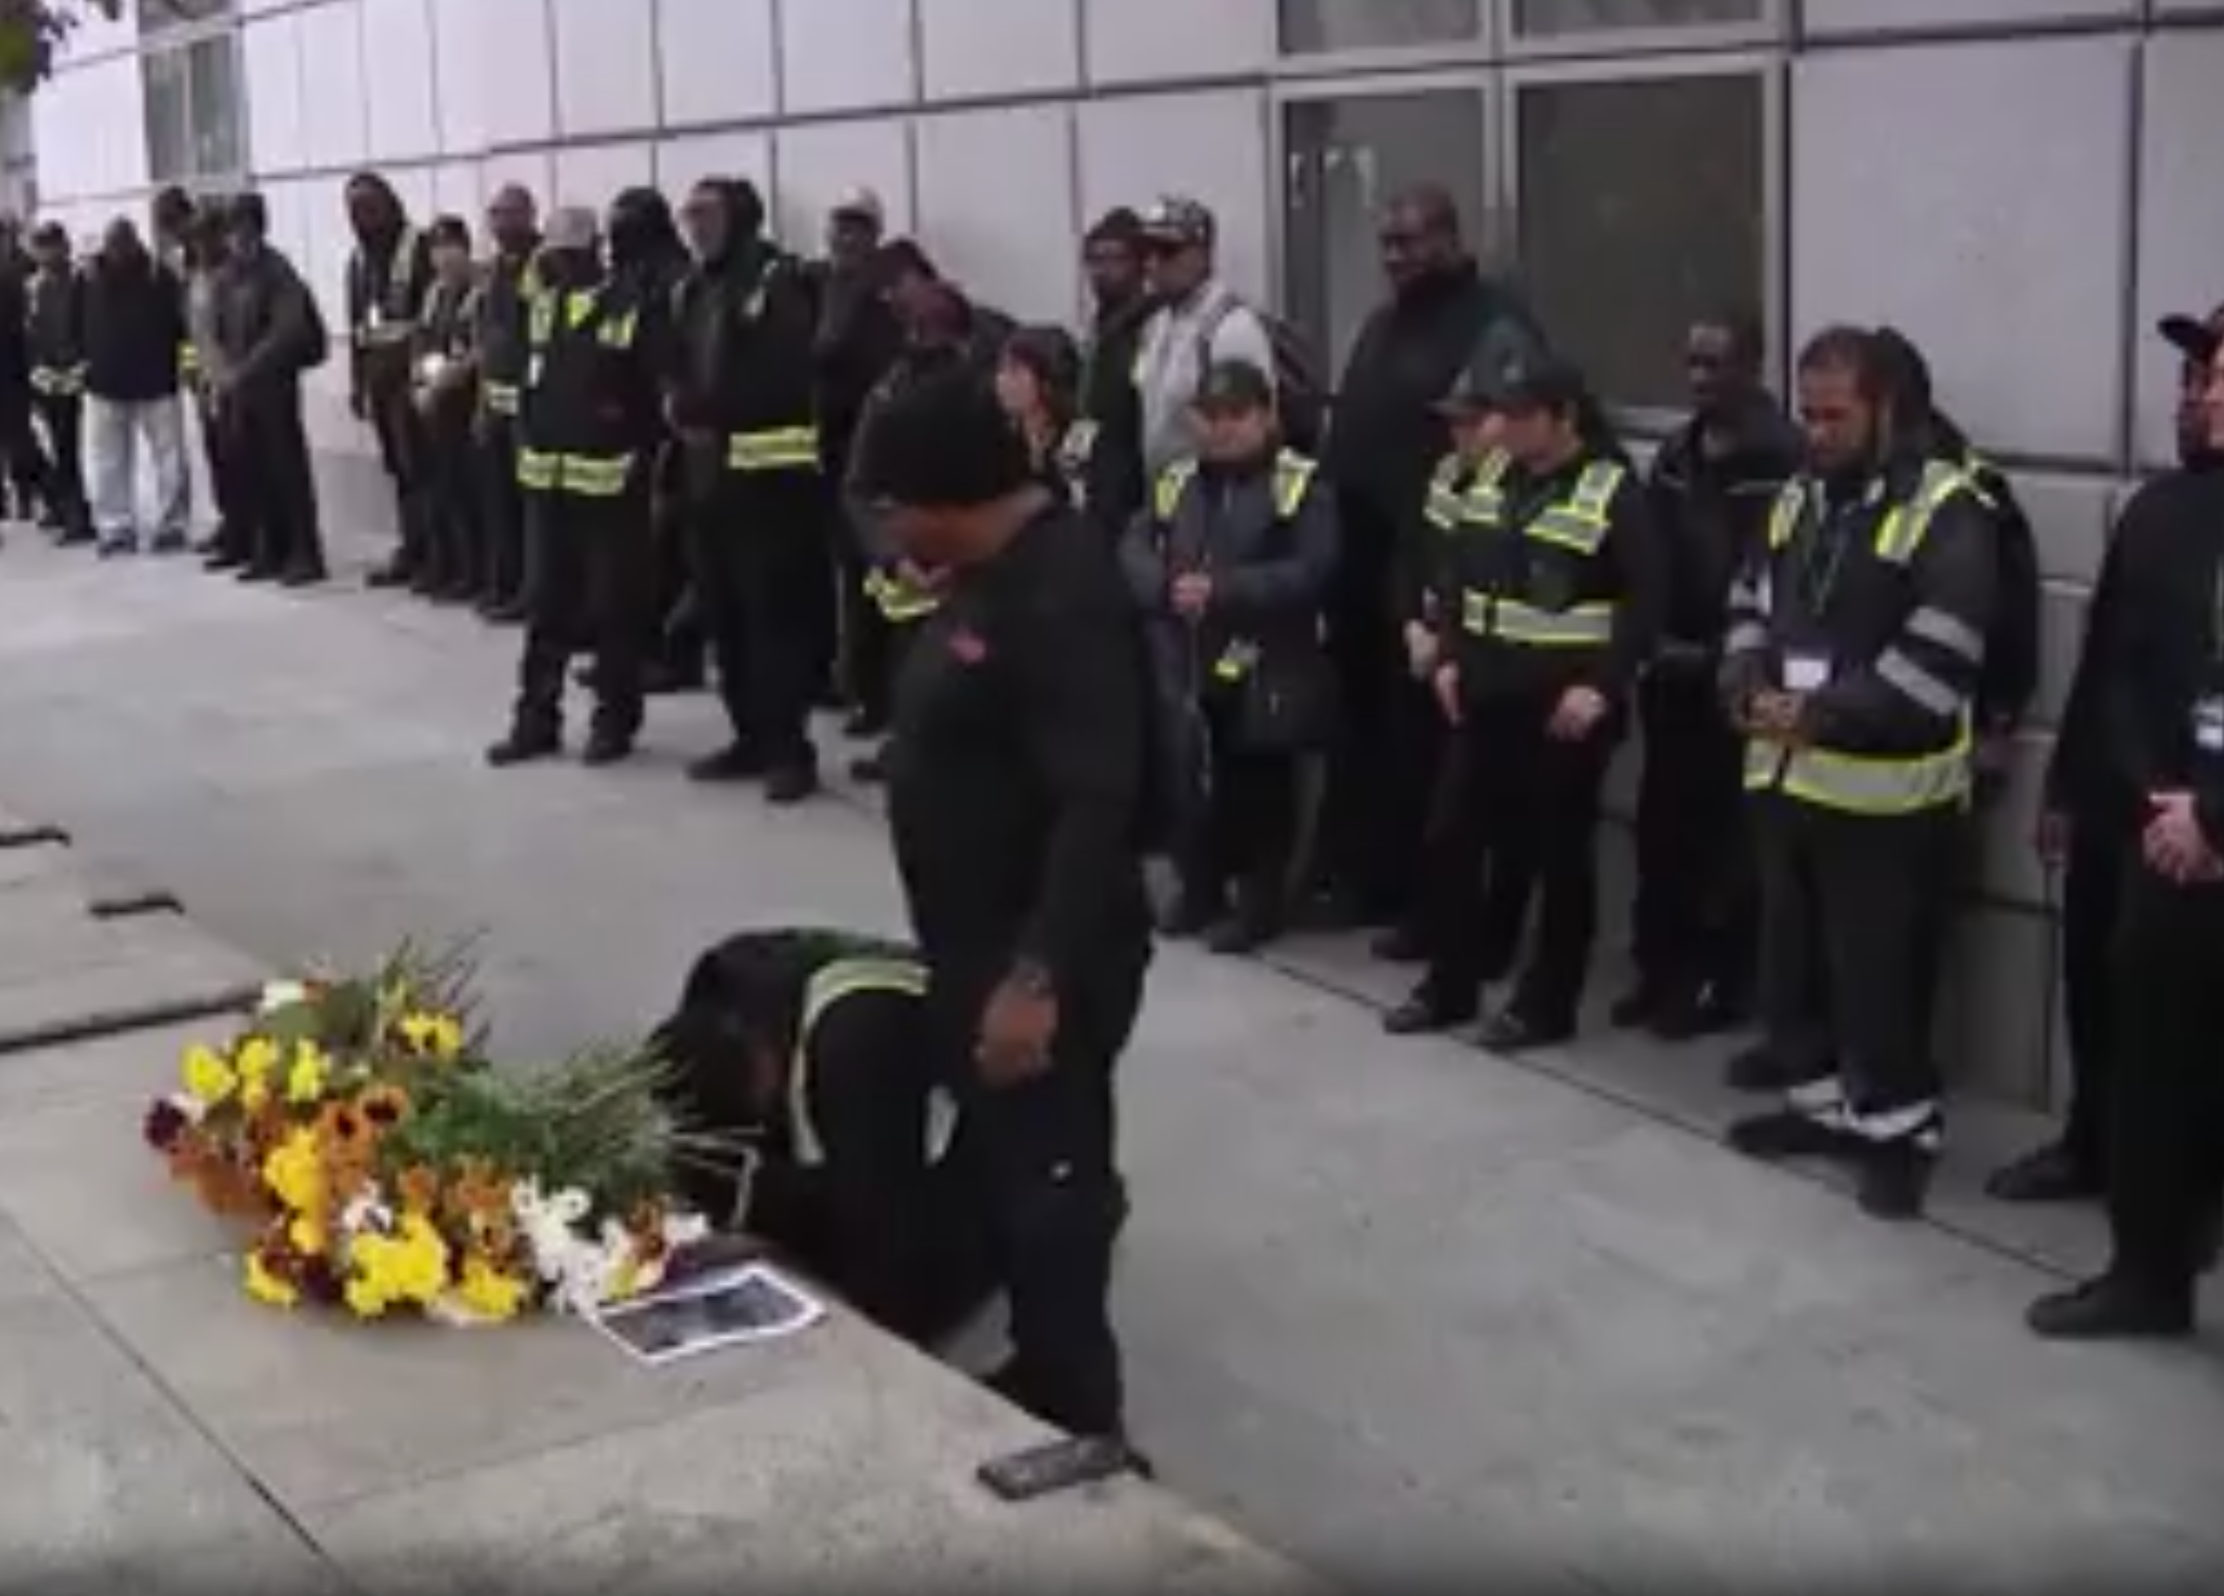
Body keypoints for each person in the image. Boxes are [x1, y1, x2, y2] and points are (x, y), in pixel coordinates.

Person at [858, 359, 1153, 1461]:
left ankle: (1082, 1410)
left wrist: (1036, 981)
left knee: (1053, 1174)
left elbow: (1097, 803)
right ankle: (1039, 1353)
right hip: (973, 935)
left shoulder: (1063, 595)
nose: (888, 531)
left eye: (896, 506)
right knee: (1013, 1158)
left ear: (948, 496)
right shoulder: (994, 569)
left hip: (1043, 951)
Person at [1718, 327, 1998, 1222]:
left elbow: (1943, 654)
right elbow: (1749, 598)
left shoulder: (1947, 508)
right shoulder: (1798, 496)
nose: (1818, 432)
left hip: (1887, 798)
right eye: (1808, 414)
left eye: (1836, 415)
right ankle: (1823, 1108)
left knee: (1880, 977)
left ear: (1884, 408)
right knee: (1794, 965)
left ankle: (1900, 1132)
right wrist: (1743, 679)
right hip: (1788, 780)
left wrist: (1825, 713)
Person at [1993, 305, 2224, 1209]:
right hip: (2121, 803)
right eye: (2190, 378)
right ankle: (2091, 1146)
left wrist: (2203, 812)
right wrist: (2068, 783)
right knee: (2093, 984)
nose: (2192, 397)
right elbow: (2106, 660)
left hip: (2200, 823)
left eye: (2210, 379)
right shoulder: (2158, 510)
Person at [1385, 357, 1660, 1052]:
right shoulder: (1494, 480)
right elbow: (1460, 575)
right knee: (1450, 835)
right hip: (1484, 695)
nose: (1502, 428)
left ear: (1563, 417)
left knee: (1557, 855)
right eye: (1500, 414)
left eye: (1519, 415)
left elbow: (1647, 601)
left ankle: (1547, 1002)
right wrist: (1451, 656)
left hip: (1561, 707)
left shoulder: (1610, 491)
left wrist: (1601, 686)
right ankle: (1450, 983)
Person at [1324, 186, 1548, 952]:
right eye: (1386, 243)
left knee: (1445, 758)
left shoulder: (1493, 324)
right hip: (1375, 568)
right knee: (1381, 742)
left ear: (1451, 239)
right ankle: (1380, 883)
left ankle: (1451, 917)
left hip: (1453, 566)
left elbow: (1512, 447)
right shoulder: (1384, 324)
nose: (1396, 257)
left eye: (1410, 241)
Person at [647, 927, 996, 1349]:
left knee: (899, 1282)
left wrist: (762, 1199)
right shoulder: (718, 993)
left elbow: (889, 1262)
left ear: (762, 1067)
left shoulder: (856, 1049)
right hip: (870, 1031)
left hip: (1010, 1100)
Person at [1619, 312, 1801, 1044]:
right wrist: (1650, 636)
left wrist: (1723, 654)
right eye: (1692, 363)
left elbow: (1779, 578)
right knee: (1662, 829)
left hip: (1736, 673)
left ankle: (1719, 981)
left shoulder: (1782, 458)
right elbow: (1649, 552)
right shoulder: (1676, 452)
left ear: (1751, 366)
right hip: (1670, 673)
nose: (1699, 379)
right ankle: (1657, 967)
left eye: (1714, 364)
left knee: (1730, 843)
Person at [1125, 359, 1339, 953]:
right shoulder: (1177, 480)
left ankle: (1259, 901)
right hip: (1189, 655)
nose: (1221, 429)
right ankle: (1200, 887)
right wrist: (1163, 586)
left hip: (1265, 658)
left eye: (1236, 415)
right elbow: (1135, 543)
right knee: (1189, 778)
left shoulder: (1299, 484)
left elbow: (1314, 569)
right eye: (1211, 415)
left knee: (1259, 784)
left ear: (1266, 416)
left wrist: (1225, 589)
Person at [484, 203, 667, 769]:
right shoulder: (542, 307)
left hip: (610, 491)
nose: (559, 265)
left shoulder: (630, 307)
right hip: (549, 488)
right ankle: (535, 720)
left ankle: (615, 722)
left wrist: (635, 453)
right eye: (554, 255)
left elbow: (654, 395)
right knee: (546, 612)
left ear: (594, 251)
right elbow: (519, 381)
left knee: (613, 611)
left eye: (570, 254)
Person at [671, 176, 828, 804]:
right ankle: (749, 738)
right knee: (726, 620)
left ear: (740, 216)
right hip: (709, 484)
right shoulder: (694, 287)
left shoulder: (776, 281)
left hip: (771, 485)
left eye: (707, 214)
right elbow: (679, 361)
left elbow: (786, 376)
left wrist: (713, 407)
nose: (696, 227)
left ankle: (790, 751)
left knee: (774, 625)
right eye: (690, 215)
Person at [841, 273, 994, 786]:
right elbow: (860, 487)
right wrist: (894, 557)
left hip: (957, 572)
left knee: (958, 667)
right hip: (920, 572)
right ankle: (915, 751)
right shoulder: (893, 390)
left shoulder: (981, 394)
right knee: (921, 671)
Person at [809, 187, 903, 731]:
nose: (845, 236)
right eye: (839, 225)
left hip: (864, 453)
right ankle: (845, 676)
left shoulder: (883, 293)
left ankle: (874, 692)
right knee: (837, 574)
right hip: (821, 451)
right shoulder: (819, 283)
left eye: (857, 226)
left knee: (871, 577)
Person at [210, 191, 326, 587]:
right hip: (241, 391)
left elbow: (286, 330)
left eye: (244, 227)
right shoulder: (228, 275)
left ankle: (304, 551)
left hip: (274, 388)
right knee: (253, 471)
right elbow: (218, 330)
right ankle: (269, 549)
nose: (236, 237)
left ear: (259, 227)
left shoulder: (278, 272)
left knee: (287, 470)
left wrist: (246, 369)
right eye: (232, 228)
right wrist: (222, 373)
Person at [1130, 197, 1277, 479]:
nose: (1152, 263)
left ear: (1201, 254)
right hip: (1163, 493)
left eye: (1167, 251)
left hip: (1214, 494)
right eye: (1145, 252)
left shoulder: (1231, 328)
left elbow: (1252, 439)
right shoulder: (1156, 325)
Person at [343, 171, 437, 590]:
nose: (361, 217)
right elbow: (358, 329)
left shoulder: (418, 248)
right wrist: (357, 384)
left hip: (411, 380)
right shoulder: (359, 261)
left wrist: (426, 382)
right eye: (353, 210)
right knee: (399, 470)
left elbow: (433, 322)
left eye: (369, 207)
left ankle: (436, 554)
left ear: (389, 204)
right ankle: (412, 548)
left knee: (422, 471)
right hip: (380, 382)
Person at [79, 216, 191, 558]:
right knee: (108, 462)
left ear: (135, 242)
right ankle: (116, 528)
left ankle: (172, 525)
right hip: (105, 385)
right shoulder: (87, 278)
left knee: (170, 459)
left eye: (124, 243)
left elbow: (182, 328)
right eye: (113, 244)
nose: (118, 251)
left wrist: (186, 370)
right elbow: (74, 325)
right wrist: (82, 367)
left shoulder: (160, 276)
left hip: (157, 382)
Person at [471, 184, 541, 623]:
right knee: (498, 503)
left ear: (529, 215)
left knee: (530, 509)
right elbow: (486, 340)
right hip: (496, 404)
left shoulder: (542, 265)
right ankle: (502, 582)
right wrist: (482, 404)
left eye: (510, 214)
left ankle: (531, 592)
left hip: (529, 407)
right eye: (495, 214)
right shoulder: (495, 269)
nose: (501, 224)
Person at [405, 215, 484, 603]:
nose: (443, 257)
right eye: (436, 249)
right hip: (436, 405)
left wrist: (445, 379)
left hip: (468, 403)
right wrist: (420, 379)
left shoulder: (480, 290)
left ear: (465, 247)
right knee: (441, 490)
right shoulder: (435, 292)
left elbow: (480, 349)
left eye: (450, 246)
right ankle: (446, 566)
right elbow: (422, 338)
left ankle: (474, 573)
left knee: (469, 494)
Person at [1073, 208, 1151, 538]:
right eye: (1095, 260)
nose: (1103, 271)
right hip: (1099, 473)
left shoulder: (1153, 326)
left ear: (1141, 264)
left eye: (1116, 259)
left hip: (1137, 475)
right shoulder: (1101, 327)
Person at [24, 221, 90, 546]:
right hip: (47, 378)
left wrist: (80, 370)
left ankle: (78, 515)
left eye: (52, 245)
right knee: (60, 447)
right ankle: (68, 508)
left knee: (71, 450)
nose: (48, 253)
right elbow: (31, 335)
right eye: (42, 247)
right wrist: (38, 375)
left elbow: (88, 328)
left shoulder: (80, 281)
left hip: (76, 375)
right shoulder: (34, 286)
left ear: (65, 246)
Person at [993, 324, 1089, 508]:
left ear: (1048, 381)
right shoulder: (999, 440)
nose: (1001, 380)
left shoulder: (1081, 439)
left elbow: (1091, 511)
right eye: (1000, 370)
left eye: (1015, 371)